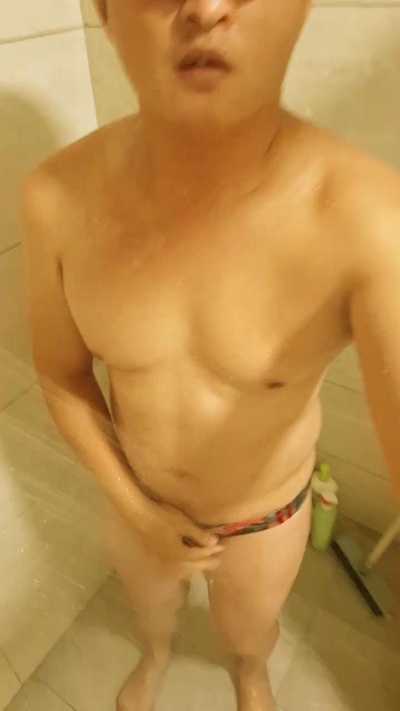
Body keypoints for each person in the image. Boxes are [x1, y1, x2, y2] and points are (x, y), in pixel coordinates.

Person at [20, 0, 400, 709]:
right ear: (105, 11)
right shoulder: (54, 198)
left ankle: (248, 674)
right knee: (151, 616)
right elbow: (60, 372)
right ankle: (156, 656)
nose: (205, 6)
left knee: (248, 634)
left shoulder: (369, 221)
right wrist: (139, 513)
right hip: (137, 495)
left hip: (265, 514)